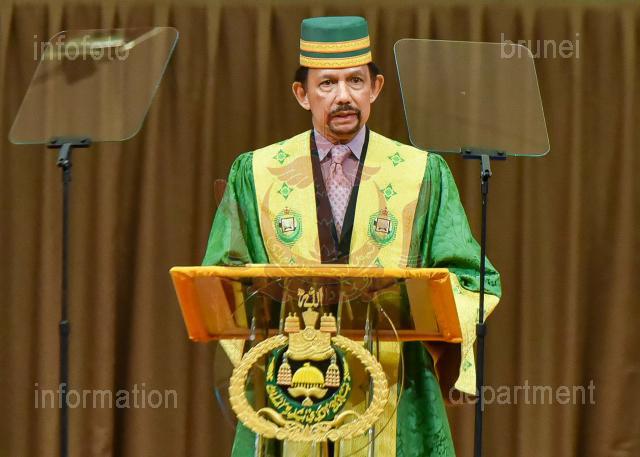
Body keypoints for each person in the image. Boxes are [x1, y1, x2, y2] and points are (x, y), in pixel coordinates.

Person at [203, 16, 501, 457]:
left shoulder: (421, 174)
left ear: (375, 88)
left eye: (355, 81)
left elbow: (473, 279)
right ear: (302, 94)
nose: (343, 96)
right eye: (327, 83)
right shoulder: (257, 173)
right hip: (291, 380)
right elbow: (220, 276)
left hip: (392, 381)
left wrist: (422, 304)